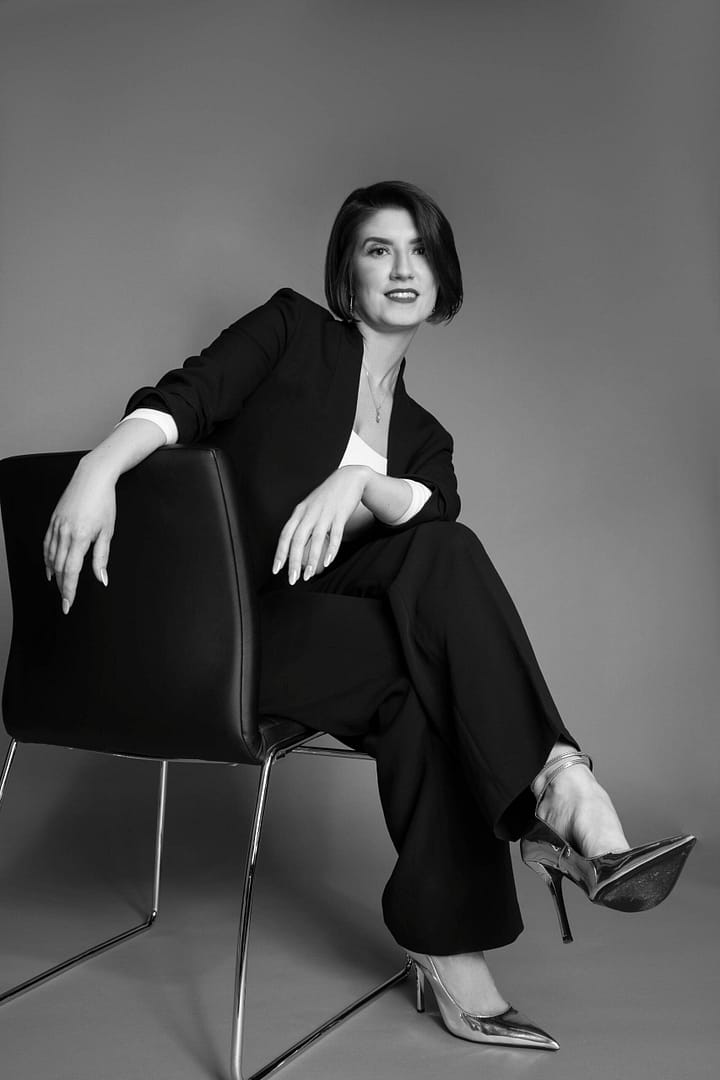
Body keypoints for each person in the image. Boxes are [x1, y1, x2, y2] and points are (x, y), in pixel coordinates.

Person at [43, 180, 695, 1052]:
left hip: (318, 649)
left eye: (419, 251)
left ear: (443, 276)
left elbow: (435, 514)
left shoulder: (425, 440)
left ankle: (529, 828)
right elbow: (184, 398)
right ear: (346, 273)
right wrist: (96, 469)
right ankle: (557, 797)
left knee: (434, 602)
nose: (401, 268)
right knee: (435, 658)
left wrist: (361, 480)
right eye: (378, 250)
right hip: (220, 635)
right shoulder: (291, 333)